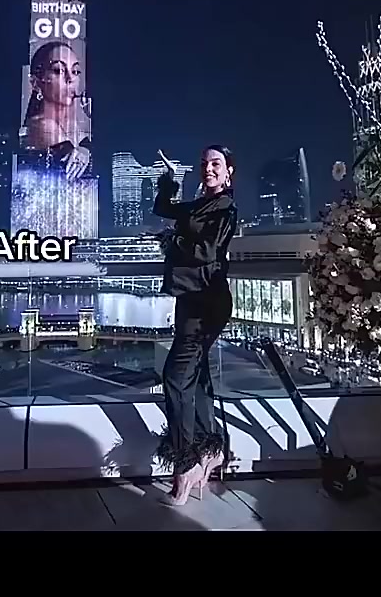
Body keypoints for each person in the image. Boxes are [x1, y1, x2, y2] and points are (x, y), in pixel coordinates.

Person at [153, 144, 237, 505]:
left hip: (207, 304)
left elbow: (207, 251)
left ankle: (185, 462)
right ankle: (211, 448)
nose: (208, 168)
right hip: (189, 299)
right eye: (204, 163)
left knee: (175, 377)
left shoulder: (226, 208)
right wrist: (170, 180)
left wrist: (172, 240)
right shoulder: (202, 204)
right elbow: (164, 209)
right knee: (195, 376)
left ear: (229, 171)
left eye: (216, 163)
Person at [24, 40, 91, 181]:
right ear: (36, 83)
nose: (70, 78)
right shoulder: (43, 125)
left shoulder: (72, 125)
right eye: (58, 70)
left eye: (75, 71)